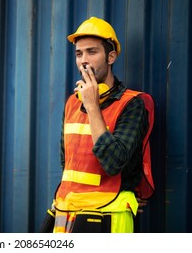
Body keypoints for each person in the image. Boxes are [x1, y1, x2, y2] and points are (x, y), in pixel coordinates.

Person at [41, 17, 155, 233]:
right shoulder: (72, 103)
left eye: (92, 52)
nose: (84, 60)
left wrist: (93, 106)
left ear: (111, 57)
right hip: (68, 216)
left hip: (108, 218)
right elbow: (68, 163)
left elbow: (114, 163)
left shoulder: (132, 104)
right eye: (79, 53)